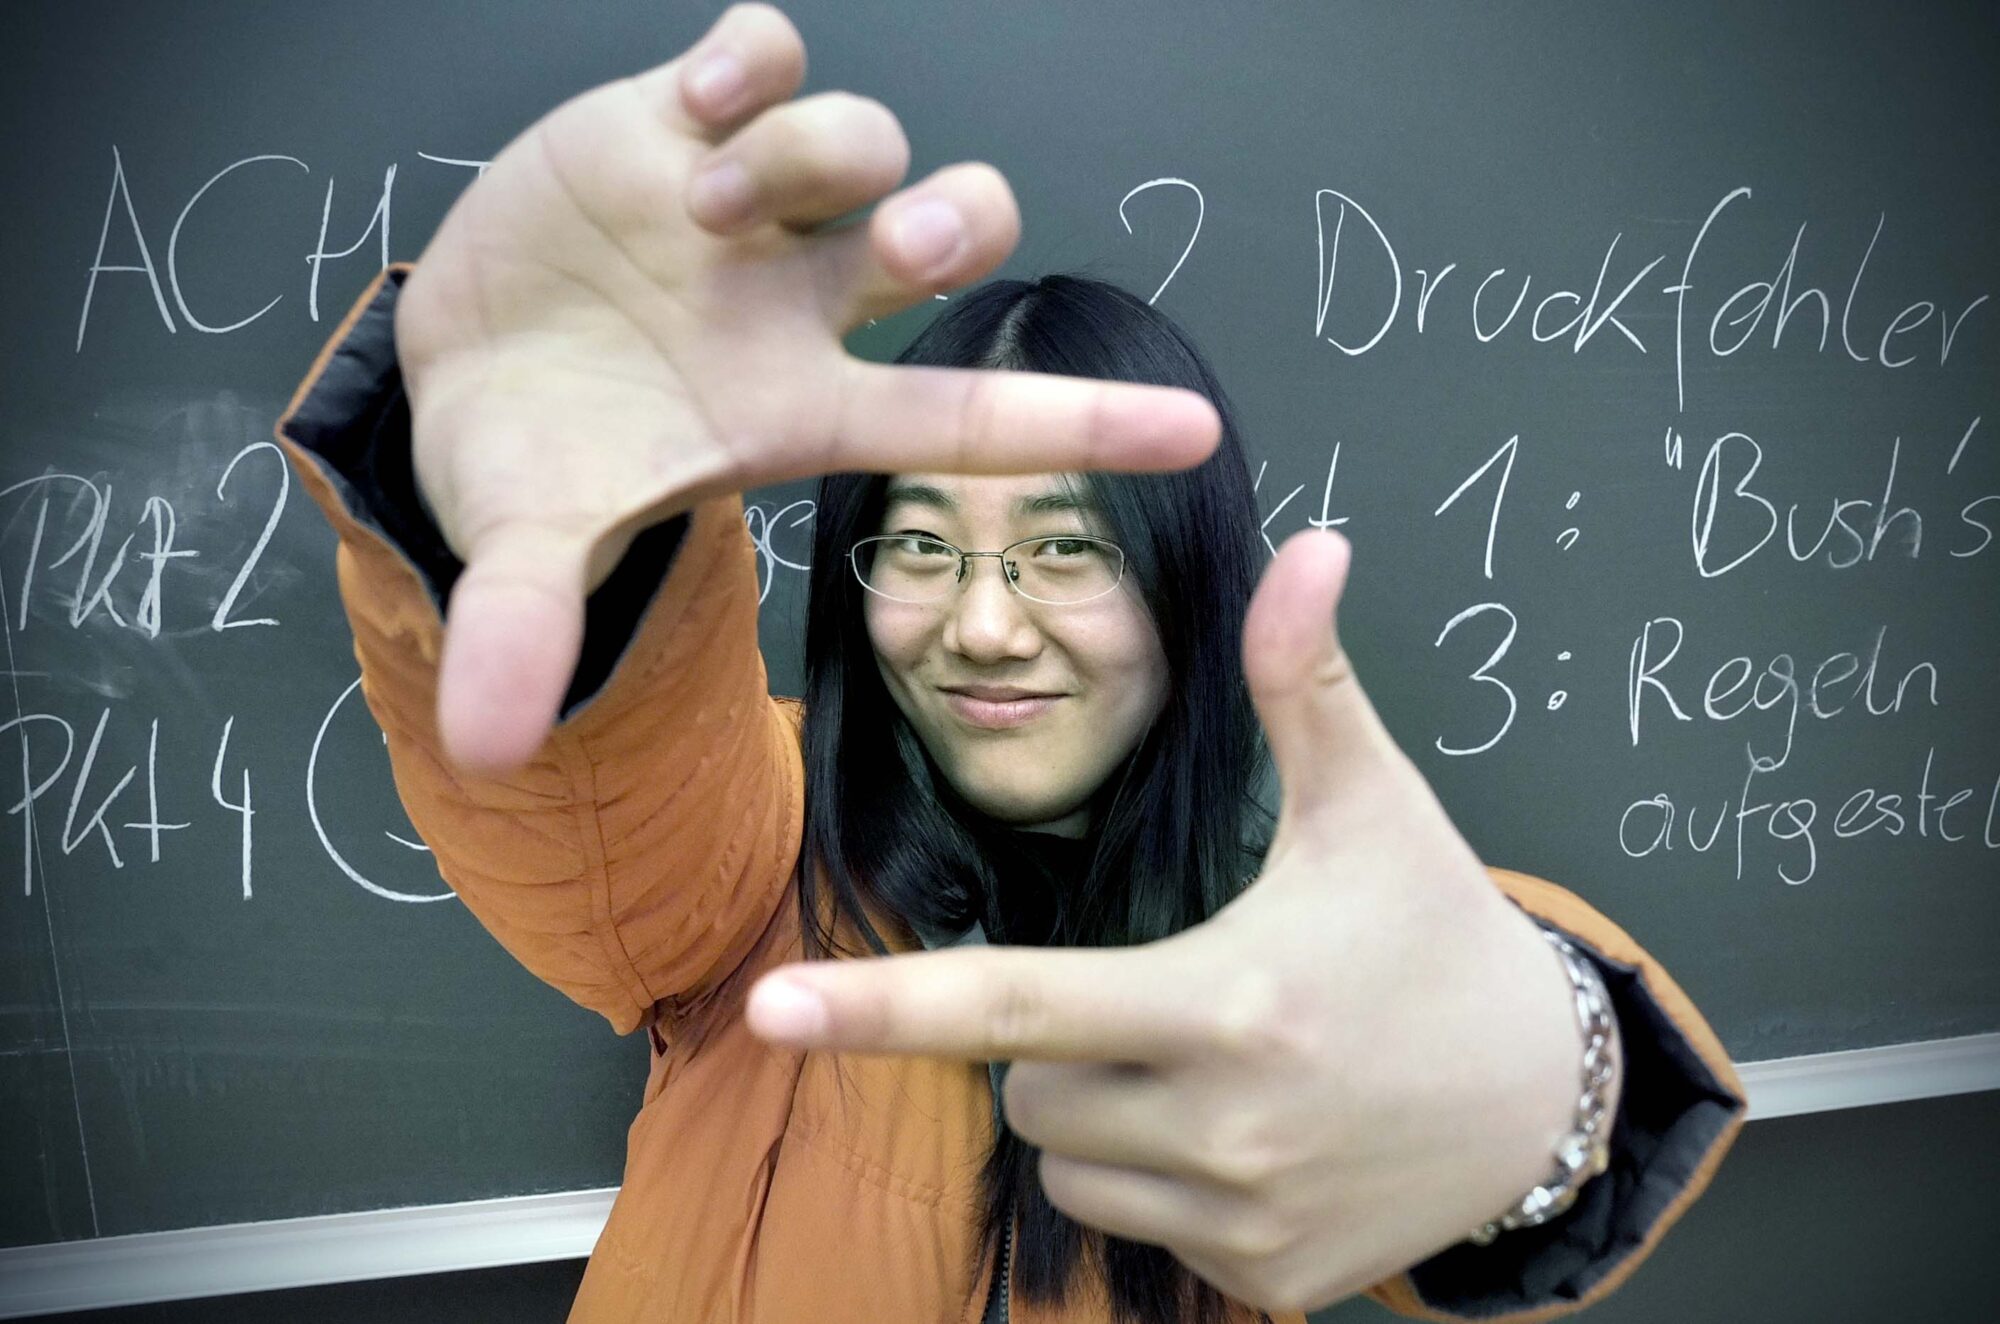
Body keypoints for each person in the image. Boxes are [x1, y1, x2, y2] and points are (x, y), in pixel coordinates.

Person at [272, 6, 1747, 1321]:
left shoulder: (1279, 932)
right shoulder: (763, 862)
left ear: (1188, 582)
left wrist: (1549, 1074)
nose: (982, 625)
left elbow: (1435, 1003)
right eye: (919, 546)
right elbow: (609, 776)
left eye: (1068, 548)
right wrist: (527, 476)